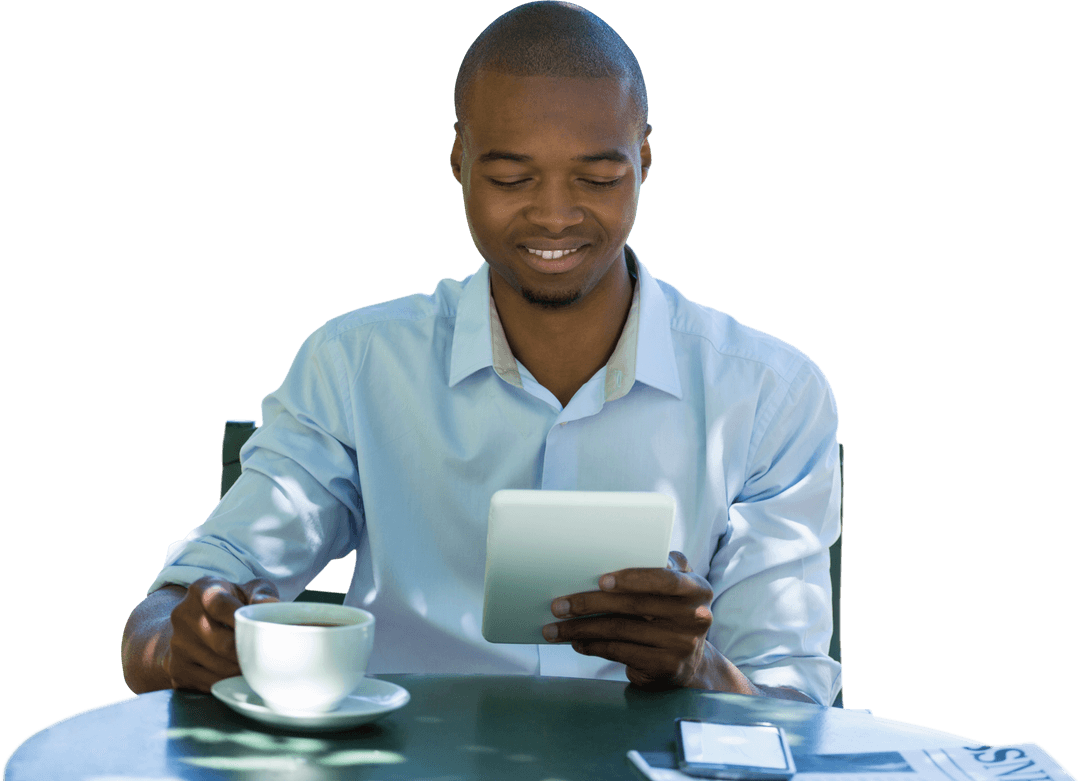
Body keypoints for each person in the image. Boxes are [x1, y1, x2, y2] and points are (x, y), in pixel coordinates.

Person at [121, 1, 842, 706]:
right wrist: (181, 639)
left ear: (645, 160)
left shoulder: (769, 395)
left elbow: (794, 706)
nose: (555, 213)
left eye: (597, 178)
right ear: (459, 161)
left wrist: (694, 665)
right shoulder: (357, 365)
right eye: (510, 179)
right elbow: (165, 619)